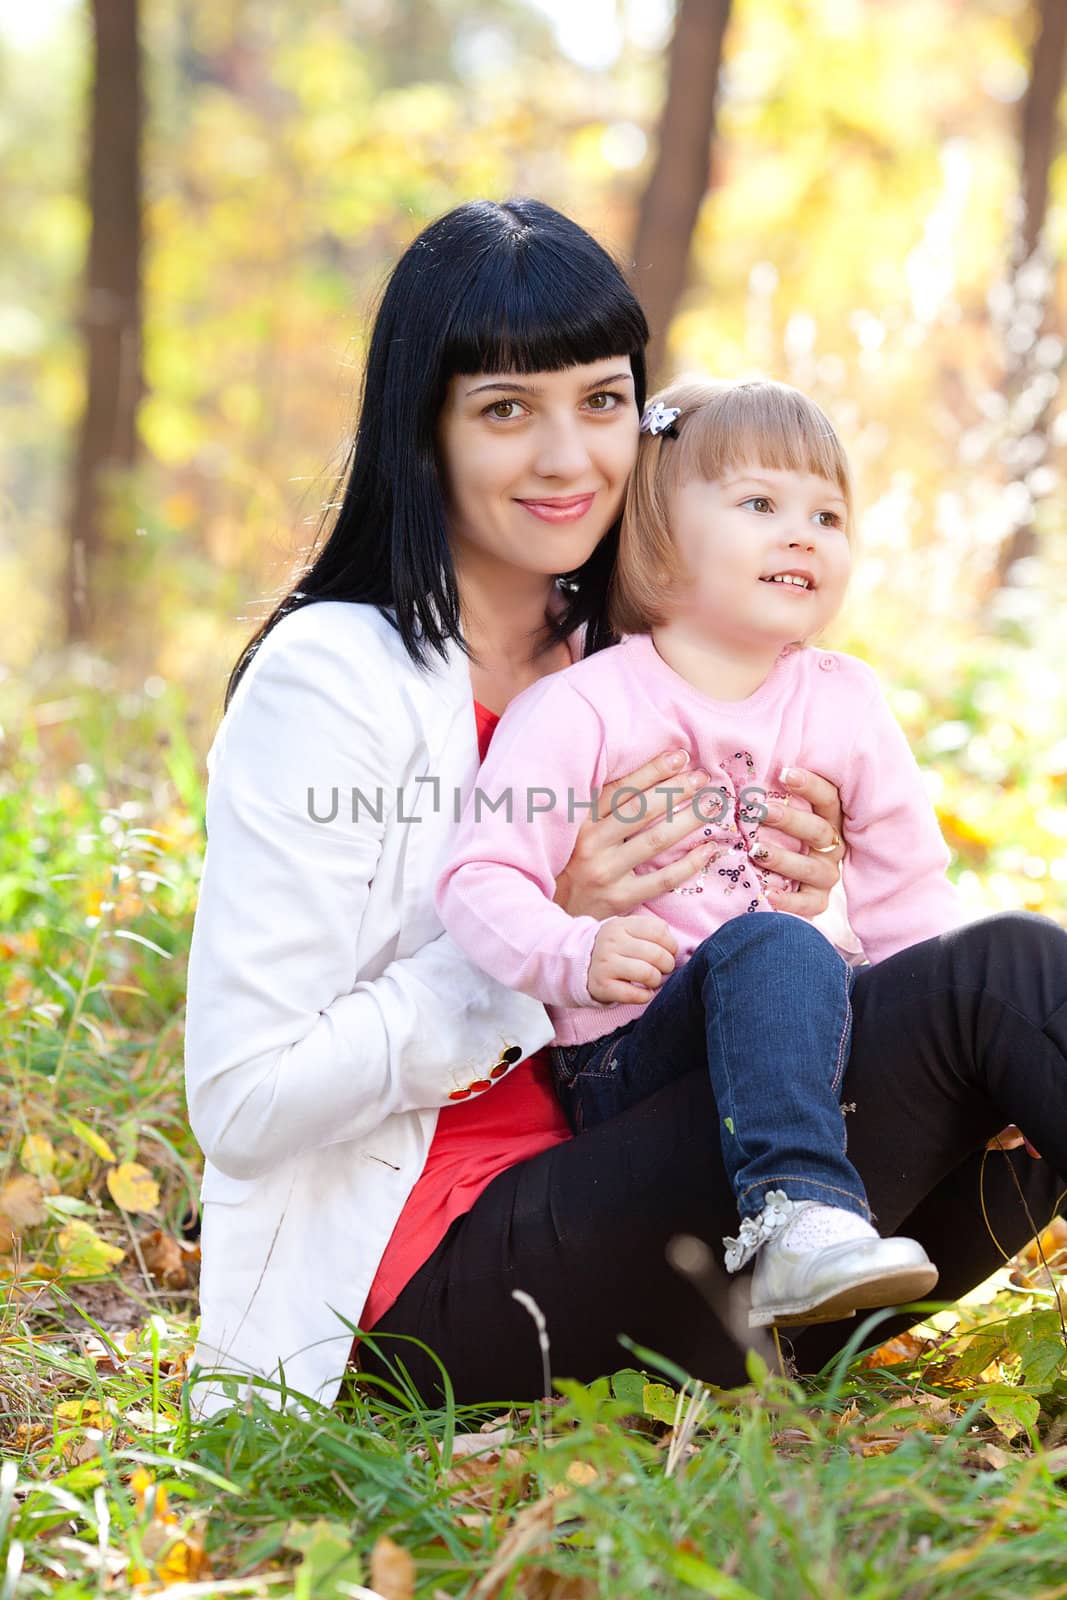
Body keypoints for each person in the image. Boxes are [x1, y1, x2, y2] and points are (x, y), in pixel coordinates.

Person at [183, 197, 1067, 1421]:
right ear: (423, 430)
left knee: (1006, 1101)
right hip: (422, 1287)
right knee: (1010, 982)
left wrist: (809, 919)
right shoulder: (333, 677)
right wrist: (543, 930)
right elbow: (240, 1100)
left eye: (600, 401)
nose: (568, 458)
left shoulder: (635, 663)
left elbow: (753, 969)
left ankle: (784, 1307)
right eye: (505, 410)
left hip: (691, 1196)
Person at [435, 374, 970, 1329]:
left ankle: (844, 1233)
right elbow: (480, 877)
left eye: (827, 514)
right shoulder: (585, 706)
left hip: (804, 1036)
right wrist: (574, 952)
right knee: (770, 942)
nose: (801, 532)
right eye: (759, 504)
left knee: (921, 971)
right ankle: (794, 1219)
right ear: (658, 533)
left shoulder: (844, 701)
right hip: (636, 1056)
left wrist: (945, 1037)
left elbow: (909, 899)